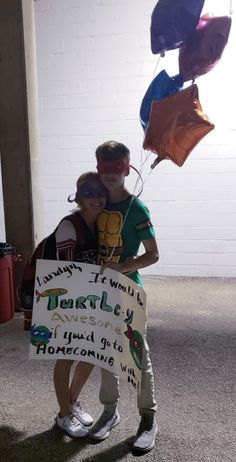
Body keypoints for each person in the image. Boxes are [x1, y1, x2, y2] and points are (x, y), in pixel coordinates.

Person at [90, 141, 159, 453]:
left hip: (128, 289)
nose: (111, 174)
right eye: (105, 167)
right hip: (99, 290)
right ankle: (109, 411)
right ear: (97, 167)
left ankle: (148, 417)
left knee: (136, 353)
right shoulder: (96, 202)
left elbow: (153, 254)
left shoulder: (138, 208)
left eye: (117, 168)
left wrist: (124, 266)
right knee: (104, 351)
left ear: (128, 168)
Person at [52, 172, 107, 438]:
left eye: (100, 192)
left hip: (91, 298)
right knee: (67, 357)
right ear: (79, 197)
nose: (96, 198)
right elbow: (66, 273)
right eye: (89, 193)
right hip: (66, 300)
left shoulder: (104, 224)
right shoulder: (69, 226)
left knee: (90, 354)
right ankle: (63, 415)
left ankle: (71, 403)